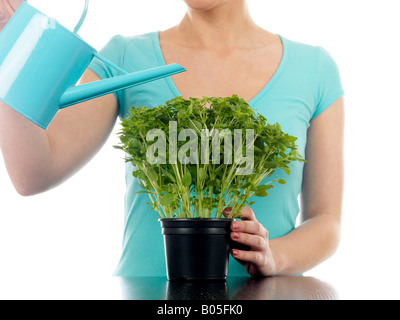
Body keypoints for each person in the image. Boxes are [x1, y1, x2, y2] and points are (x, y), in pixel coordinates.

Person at [0, 0, 344, 277]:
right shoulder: (125, 58)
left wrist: (274, 257)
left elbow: (326, 221)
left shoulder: (312, 68)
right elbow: (33, 173)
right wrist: (9, 50)